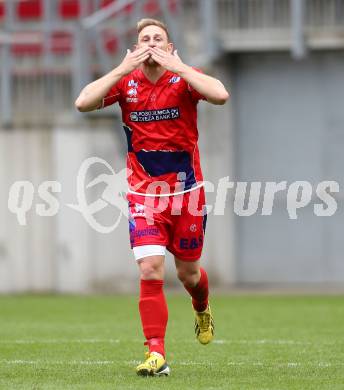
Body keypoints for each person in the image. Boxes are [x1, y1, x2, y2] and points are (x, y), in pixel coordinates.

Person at [75, 18, 229, 377]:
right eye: (145, 39)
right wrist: (120, 67)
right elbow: (82, 102)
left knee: (188, 274)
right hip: (143, 196)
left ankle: (202, 307)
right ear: (135, 48)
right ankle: (156, 354)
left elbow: (220, 95)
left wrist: (179, 65)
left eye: (158, 39)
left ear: (170, 47)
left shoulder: (184, 79)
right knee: (149, 268)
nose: (151, 44)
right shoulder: (126, 81)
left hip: (187, 194)